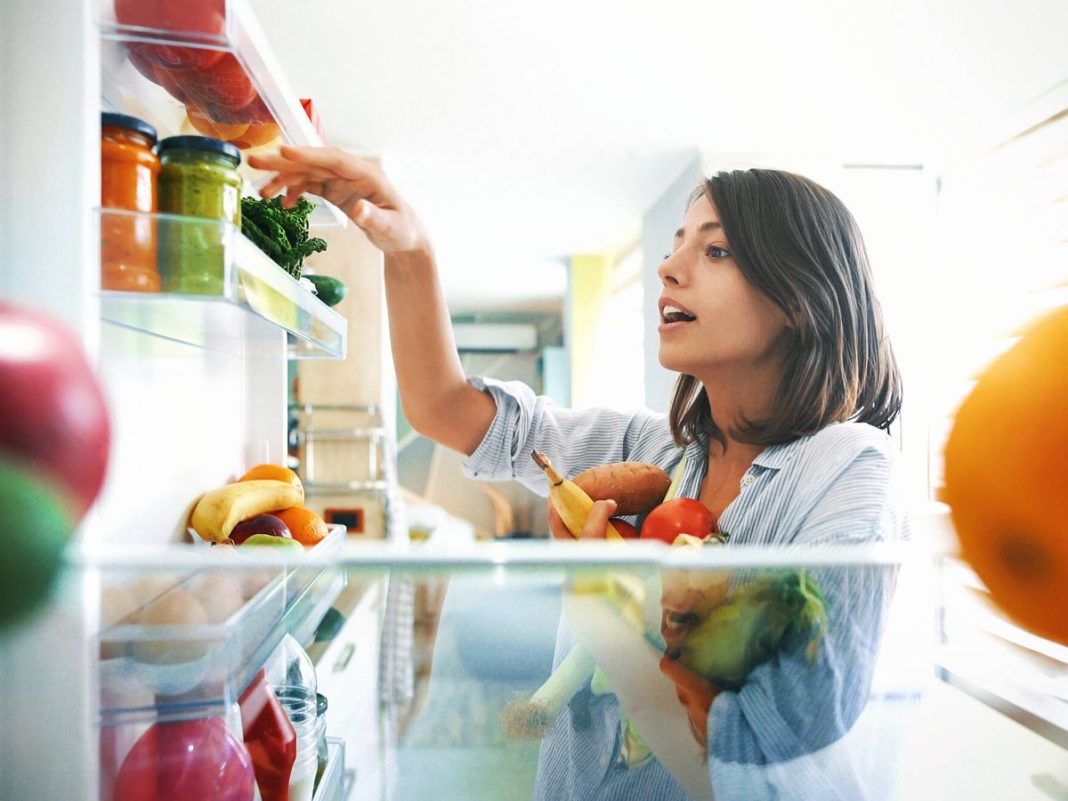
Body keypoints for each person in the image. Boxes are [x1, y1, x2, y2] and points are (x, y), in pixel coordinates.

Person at [248, 147, 909, 800]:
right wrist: (409, 249)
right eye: (676, 244)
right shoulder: (654, 448)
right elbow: (444, 408)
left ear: (799, 296)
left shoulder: (849, 469)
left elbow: (761, 760)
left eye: (715, 250)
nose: (668, 266)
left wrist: (599, 610)